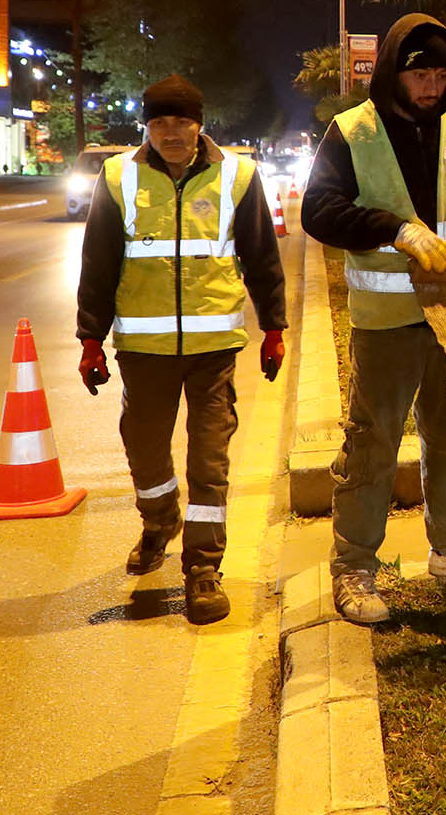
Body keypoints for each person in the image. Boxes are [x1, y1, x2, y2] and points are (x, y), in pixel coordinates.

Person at [302, 14, 446, 624]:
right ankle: (354, 566)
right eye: (420, 76)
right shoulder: (354, 131)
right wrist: (394, 228)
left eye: (441, 74)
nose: (432, 87)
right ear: (394, 74)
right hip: (387, 321)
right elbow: (319, 210)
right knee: (372, 443)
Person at [76, 73, 288, 627]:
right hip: (143, 351)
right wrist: (89, 338)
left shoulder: (237, 175)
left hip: (213, 347)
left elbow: (263, 256)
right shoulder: (119, 176)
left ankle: (203, 567)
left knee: (209, 458)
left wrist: (274, 327)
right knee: (144, 450)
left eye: (181, 121)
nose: (171, 132)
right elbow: (98, 261)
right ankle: (159, 521)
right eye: (160, 122)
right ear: (147, 126)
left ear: (199, 124)